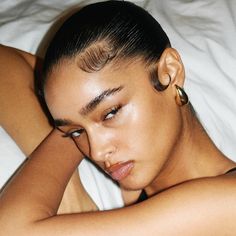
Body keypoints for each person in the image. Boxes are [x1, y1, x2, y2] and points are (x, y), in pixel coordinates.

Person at [0, 1, 236, 235]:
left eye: (110, 113)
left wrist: (74, 197)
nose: (97, 152)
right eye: (77, 133)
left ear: (169, 73)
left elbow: (12, 230)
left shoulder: (229, 202)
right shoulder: (137, 196)